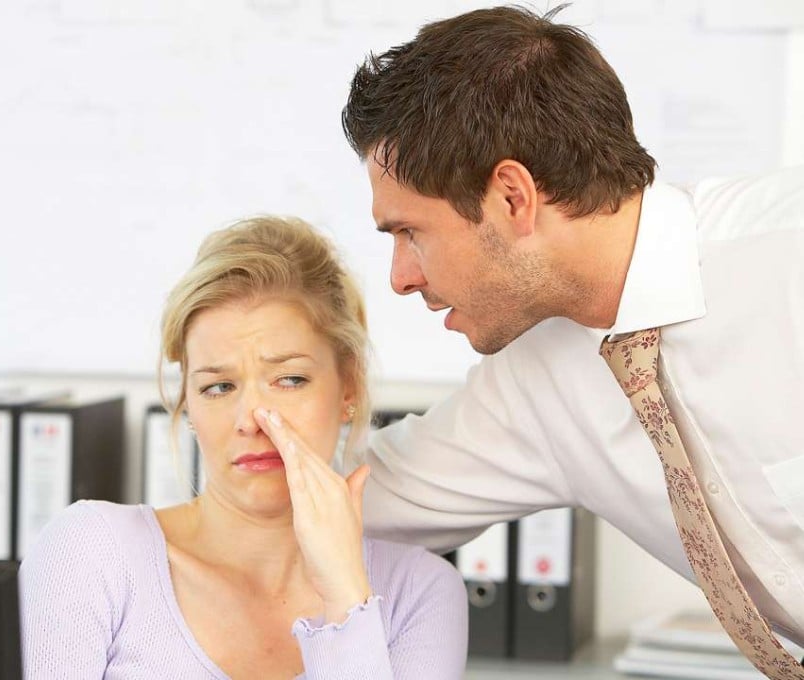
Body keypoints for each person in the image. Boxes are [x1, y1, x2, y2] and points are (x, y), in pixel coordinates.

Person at [340, 2, 804, 669]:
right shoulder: (536, 381)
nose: (400, 278)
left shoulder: (789, 262)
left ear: (511, 198)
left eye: (410, 232)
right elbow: (352, 500)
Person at [19, 216, 468, 679]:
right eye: (218, 387)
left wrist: (344, 599)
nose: (252, 420)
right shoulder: (92, 552)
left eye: (290, 379)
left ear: (348, 387)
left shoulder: (420, 594)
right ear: (188, 404)